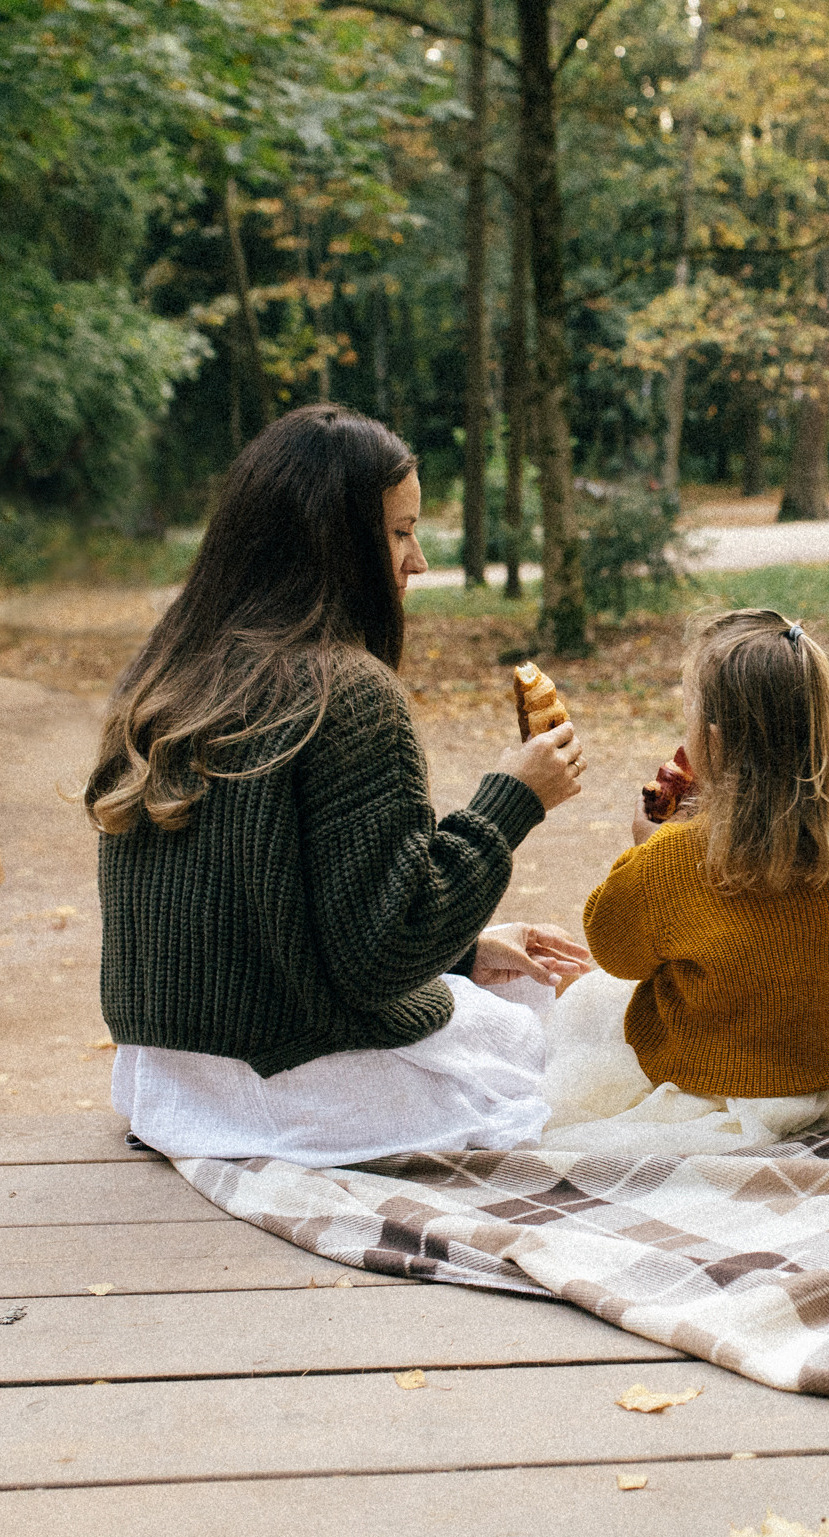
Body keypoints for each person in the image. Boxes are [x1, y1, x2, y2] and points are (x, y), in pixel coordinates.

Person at [88, 404, 592, 1166]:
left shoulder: (167, 674)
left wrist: (468, 949)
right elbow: (381, 955)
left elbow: (267, 919)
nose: (416, 560)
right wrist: (512, 802)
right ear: (335, 543)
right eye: (398, 531)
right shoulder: (343, 691)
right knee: (565, 1028)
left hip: (167, 1086)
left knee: (496, 993)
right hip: (296, 1090)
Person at [544, 610, 829, 1153]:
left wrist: (645, 849)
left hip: (704, 1083)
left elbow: (613, 949)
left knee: (583, 1004)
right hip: (818, 1083)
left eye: (689, 711)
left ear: (714, 737)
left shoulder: (675, 858)